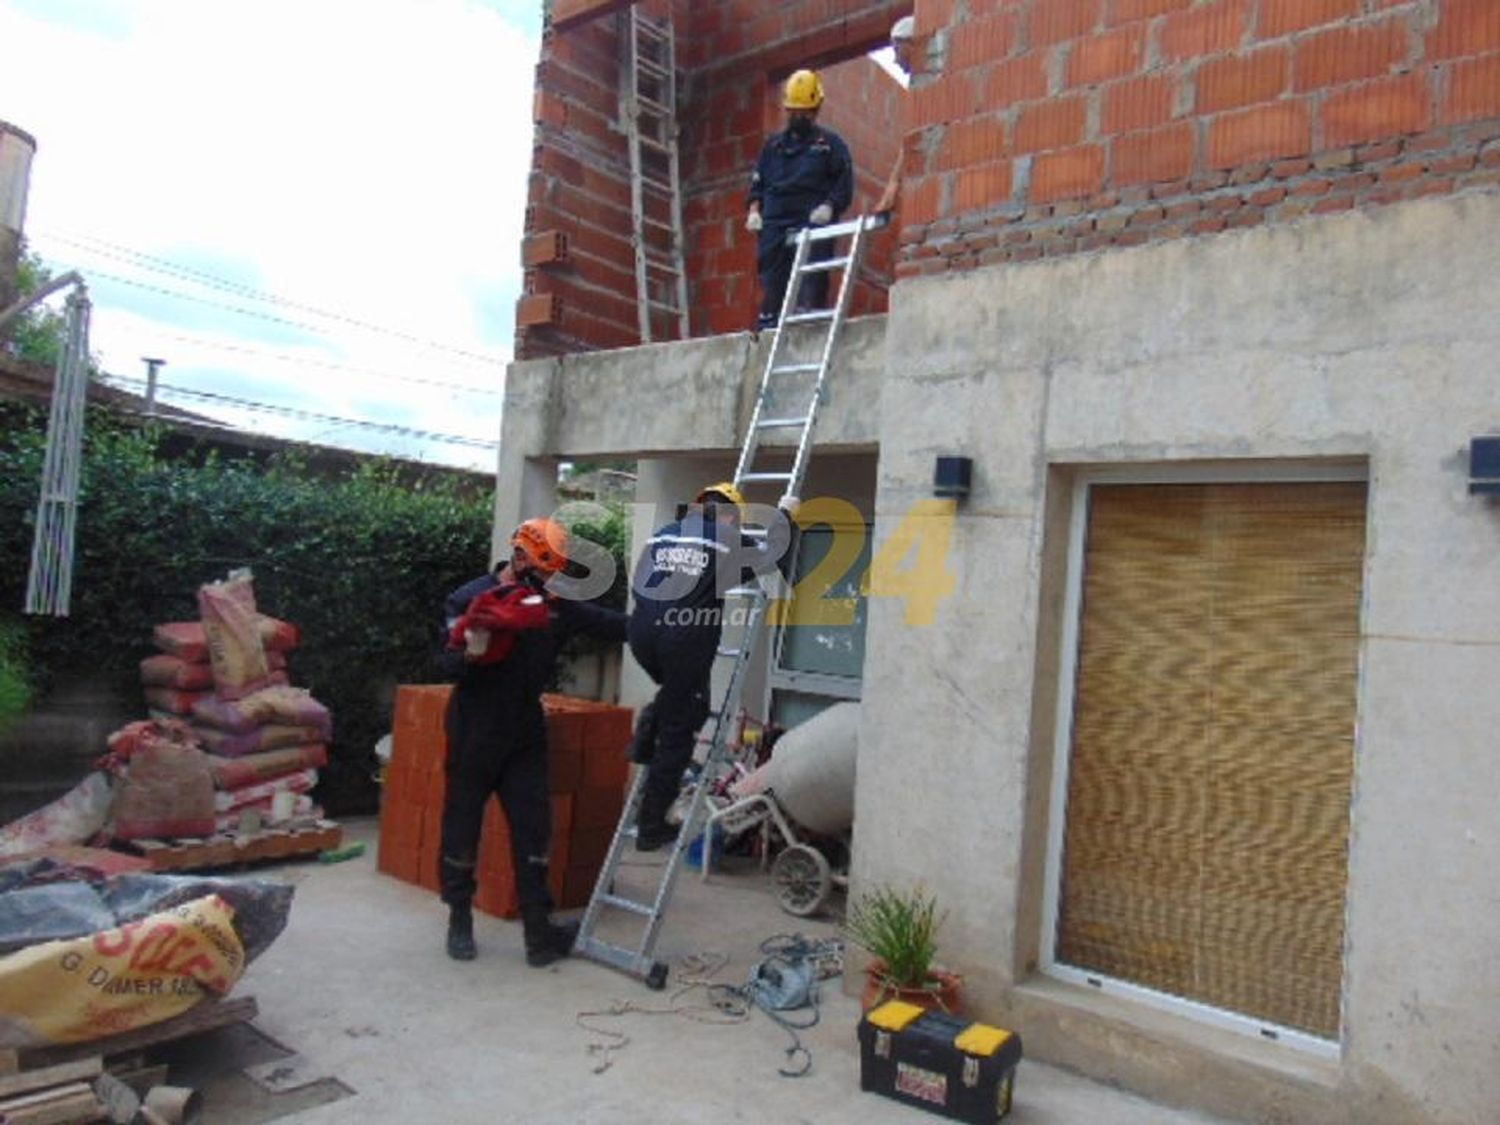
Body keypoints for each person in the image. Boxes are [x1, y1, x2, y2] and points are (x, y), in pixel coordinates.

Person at [436, 517, 627, 964]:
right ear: (519, 555)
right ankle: (459, 919)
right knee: (462, 827)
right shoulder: (469, 599)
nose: (549, 580)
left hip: (524, 732)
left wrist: (672, 624)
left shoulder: (554, 605)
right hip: (474, 730)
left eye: (554, 572)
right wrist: (470, 652)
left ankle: (539, 936)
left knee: (534, 831)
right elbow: (443, 666)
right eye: (544, 569)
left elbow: (613, 625)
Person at [626, 483, 795, 851]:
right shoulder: (725, 539)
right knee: (680, 725)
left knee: (683, 699)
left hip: (641, 634)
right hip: (683, 639)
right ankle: (652, 824)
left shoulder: (664, 534)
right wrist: (785, 515)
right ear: (731, 516)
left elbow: (639, 582)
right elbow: (774, 556)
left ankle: (641, 743)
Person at [746, 69, 854, 330]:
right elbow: (758, 185)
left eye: (803, 111)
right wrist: (754, 211)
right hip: (776, 220)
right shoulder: (774, 147)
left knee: (813, 273)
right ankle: (771, 320)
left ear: (815, 109)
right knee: (773, 277)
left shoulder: (829, 145)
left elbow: (844, 183)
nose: (797, 116)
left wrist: (829, 207)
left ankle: (809, 318)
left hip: (811, 219)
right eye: (793, 111)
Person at [874, 16, 916, 217]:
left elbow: (911, 140)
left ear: (912, 43)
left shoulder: (929, 84)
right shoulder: (917, 84)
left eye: (897, 49)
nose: (895, 59)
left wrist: (893, 185)